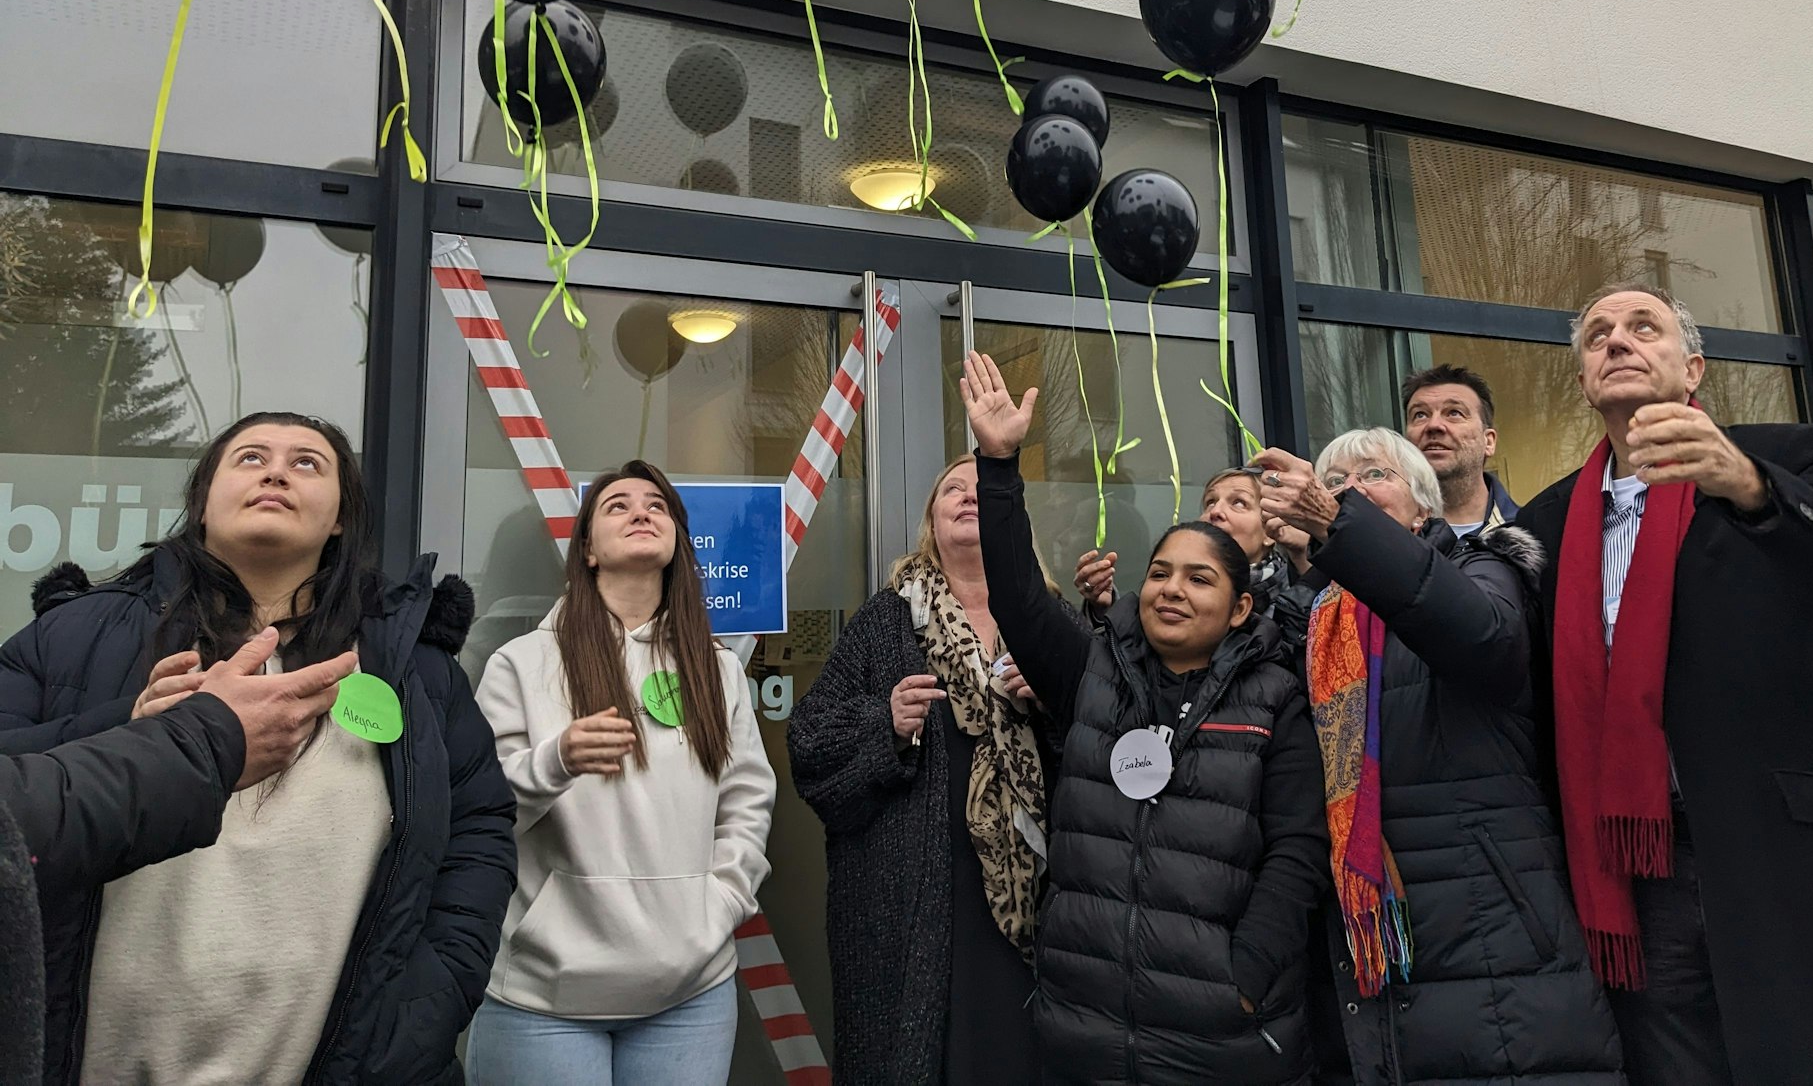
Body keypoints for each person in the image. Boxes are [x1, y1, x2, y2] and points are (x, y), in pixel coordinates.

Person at [1514, 281, 1813, 1086]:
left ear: (1692, 370)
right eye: (1597, 335)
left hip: (1785, 850)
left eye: (1641, 326)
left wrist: (1752, 488)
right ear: (1584, 378)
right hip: (1637, 872)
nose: (1615, 340)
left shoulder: (1784, 457)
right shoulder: (1548, 523)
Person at [0, 410, 517, 1086]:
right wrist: (127, 721)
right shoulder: (71, 635)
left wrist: (433, 990)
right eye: (250, 458)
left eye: (308, 462)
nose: (276, 470)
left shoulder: (414, 668)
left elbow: (479, 826)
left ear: (338, 518)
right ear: (203, 503)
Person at [962, 353, 1328, 1085]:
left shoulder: (1275, 698)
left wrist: (1243, 977)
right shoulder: (1097, 671)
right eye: (1160, 573)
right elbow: (1020, 601)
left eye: (1200, 579)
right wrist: (999, 465)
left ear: (1241, 606)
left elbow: (1297, 853)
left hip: (1221, 1037)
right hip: (1085, 1025)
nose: (1172, 590)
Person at [1253, 431, 1624, 1086]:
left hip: (1493, 936)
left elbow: (1480, 638)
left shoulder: (1484, 570)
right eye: (1335, 482)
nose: (1351, 491)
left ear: (1423, 509)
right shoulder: (1313, 620)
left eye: (1374, 474)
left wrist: (1342, 525)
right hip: (1367, 950)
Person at [469, 461, 775, 1086]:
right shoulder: (520, 663)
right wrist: (556, 762)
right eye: (617, 505)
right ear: (586, 549)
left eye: (657, 506)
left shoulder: (715, 669)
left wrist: (718, 904)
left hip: (690, 989)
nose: (641, 512)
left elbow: (746, 801)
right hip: (544, 995)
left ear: (678, 546)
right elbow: (482, 812)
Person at [789, 454, 1060, 1086]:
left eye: (980, 492)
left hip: (1032, 879)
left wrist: (1048, 701)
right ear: (930, 523)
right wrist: (885, 724)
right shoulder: (886, 620)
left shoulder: (1047, 616)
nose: (967, 499)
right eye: (951, 492)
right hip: (911, 887)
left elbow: (1101, 735)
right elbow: (810, 742)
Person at [0, 631, 357, 1086]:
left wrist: (412, 1014)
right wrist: (173, 735)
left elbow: (467, 835)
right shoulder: (67, 634)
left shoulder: (407, 661)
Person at [1075, 468, 1317, 656]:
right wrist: (1105, 609)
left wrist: (1306, 561)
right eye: (1210, 502)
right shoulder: (1172, 590)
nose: (1215, 512)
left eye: (1239, 503)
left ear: (1269, 532)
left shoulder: (1297, 599)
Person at [1402, 363, 1519, 537]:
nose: (1433, 425)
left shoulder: (1533, 532)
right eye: (1420, 415)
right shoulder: (1387, 536)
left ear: (1488, 442)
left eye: (1454, 413)